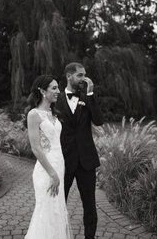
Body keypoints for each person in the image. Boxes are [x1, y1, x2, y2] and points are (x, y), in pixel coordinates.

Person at [56, 62, 104, 239]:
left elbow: (99, 121)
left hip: (86, 161)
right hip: (64, 160)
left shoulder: (87, 98)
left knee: (90, 206)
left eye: (85, 75)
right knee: (59, 205)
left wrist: (90, 94)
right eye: (80, 75)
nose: (84, 78)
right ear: (69, 76)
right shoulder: (57, 99)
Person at [25, 75, 73, 239]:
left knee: (57, 211)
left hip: (59, 166)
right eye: (54, 88)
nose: (58, 91)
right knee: (46, 211)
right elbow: (36, 148)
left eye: (57, 88)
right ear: (42, 91)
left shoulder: (53, 113)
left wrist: (59, 171)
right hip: (46, 170)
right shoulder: (34, 114)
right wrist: (52, 174)